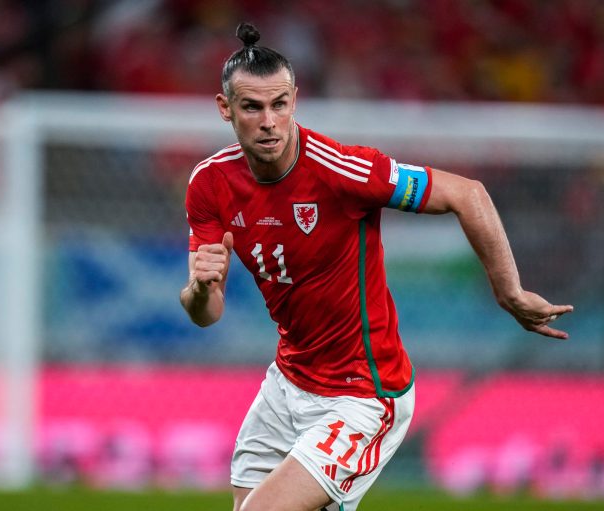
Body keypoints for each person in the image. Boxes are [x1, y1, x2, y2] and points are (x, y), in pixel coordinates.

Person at [181, 22, 574, 511]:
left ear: (295, 101)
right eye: (252, 107)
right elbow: (207, 313)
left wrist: (508, 290)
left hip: (364, 394)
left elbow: (467, 193)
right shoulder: (210, 184)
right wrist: (200, 289)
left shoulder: (342, 170)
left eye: (279, 104)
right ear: (225, 108)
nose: (269, 122)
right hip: (288, 382)